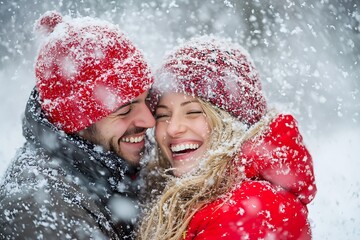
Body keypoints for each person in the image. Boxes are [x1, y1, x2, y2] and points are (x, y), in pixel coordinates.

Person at [138, 37, 317, 239]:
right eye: (163, 115)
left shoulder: (250, 209)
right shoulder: (192, 195)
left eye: (194, 112)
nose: (173, 129)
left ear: (231, 122)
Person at [0, 11, 155, 239]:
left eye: (147, 100)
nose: (149, 120)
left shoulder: (108, 163)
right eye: (125, 110)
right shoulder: (46, 208)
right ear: (75, 122)